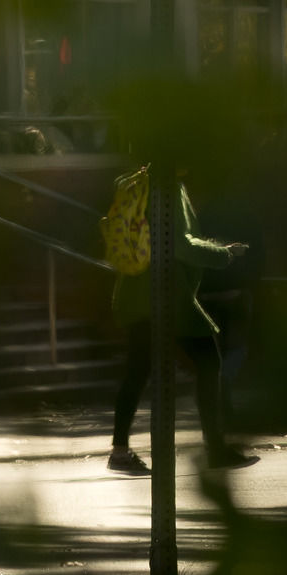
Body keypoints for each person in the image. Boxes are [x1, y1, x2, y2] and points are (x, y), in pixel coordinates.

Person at [107, 170, 252, 473]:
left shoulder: (133, 182)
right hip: (168, 294)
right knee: (209, 360)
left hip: (134, 291)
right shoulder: (169, 186)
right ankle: (215, 448)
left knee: (137, 369)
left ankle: (119, 450)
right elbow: (181, 244)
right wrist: (223, 255)